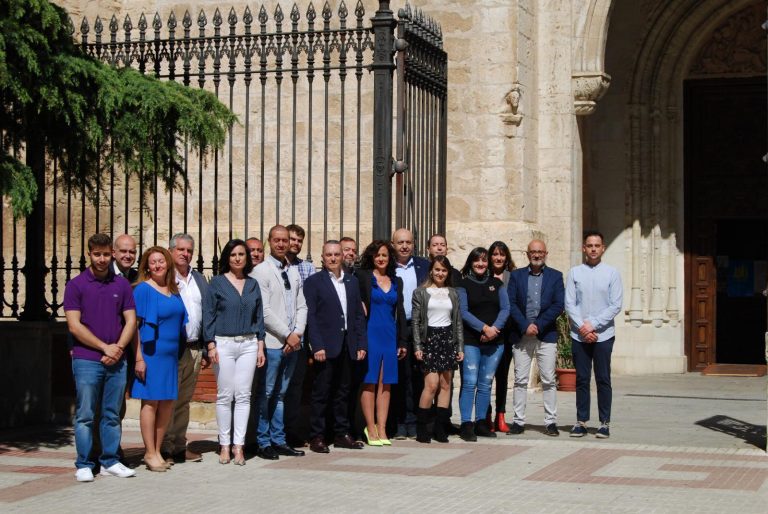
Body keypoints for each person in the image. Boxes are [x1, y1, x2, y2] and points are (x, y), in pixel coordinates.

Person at [64, 233, 137, 482]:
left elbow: (130, 321)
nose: (102, 259)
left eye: (106, 254)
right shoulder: (75, 285)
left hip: (117, 359)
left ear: (112, 254)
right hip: (86, 359)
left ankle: (110, 461)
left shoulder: (122, 285)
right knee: (86, 414)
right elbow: (74, 326)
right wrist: (105, 347)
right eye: (97, 254)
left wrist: (117, 347)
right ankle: (84, 463)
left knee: (112, 413)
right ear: (89, 254)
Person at [204, 239, 266, 465]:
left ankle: (238, 447)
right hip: (223, 343)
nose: (238, 258)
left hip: (249, 343)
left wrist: (260, 345)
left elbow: (259, 317)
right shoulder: (217, 283)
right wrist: (210, 344)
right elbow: (208, 314)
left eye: (241, 254)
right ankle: (224, 445)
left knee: (243, 395)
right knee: (224, 395)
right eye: (233, 255)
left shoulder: (252, 284)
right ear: (227, 258)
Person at [304, 240, 367, 453]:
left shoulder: (351, 281)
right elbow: (310, 316)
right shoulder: (314, 282)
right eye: (329, 255)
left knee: (343, 392)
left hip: (348, 346)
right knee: (321, 393)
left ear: (343, 256)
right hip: (326, 347)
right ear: (322, 257)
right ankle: (318, 436)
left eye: (336, 254)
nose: (332, 258)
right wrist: (317, 345)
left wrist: (360, 343)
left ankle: (341, 433)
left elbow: (358, 315)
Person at [252, 226, 307, 460]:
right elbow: (263, 311)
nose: (282, 244)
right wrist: (287, 334)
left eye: (285, 240)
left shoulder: (292, 270)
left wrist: (298, 333)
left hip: (292, 343)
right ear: (270, 242)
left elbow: (302, 305)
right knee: (266, 393)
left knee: (281, 394)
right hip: (275, 342)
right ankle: (263, 441)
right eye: (277, 240)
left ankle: (279, 439)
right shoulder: (260, 271)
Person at [131, 247, 188, 472]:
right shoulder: (143, 290)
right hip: (150, 355)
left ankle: (157, 449)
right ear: (146, 265)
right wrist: (138, 358)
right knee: (150, 402)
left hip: (170, 357)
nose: (157, 265)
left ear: (168, 264)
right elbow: (133, 326)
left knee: (167, 403)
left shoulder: (173, 290)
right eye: (152, 262)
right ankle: (149, 452)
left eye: (161, 261)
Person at [565, 230, 623, 439]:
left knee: (603, 378)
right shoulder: (575, 273)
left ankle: (604, 422)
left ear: (603, 248)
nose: (593, 249)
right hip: (579, 335)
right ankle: (581, 421)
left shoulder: (612, 273)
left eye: (597, 246)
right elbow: (570, 303)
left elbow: (615, 304)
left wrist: (593, 325)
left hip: (603, 335)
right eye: (589, 245)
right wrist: (583, 327)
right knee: (581, 378)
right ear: (584, 248)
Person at [506, 239, 564, 436]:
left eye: (540, 252)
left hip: (545, 334)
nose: (537, 255)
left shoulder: (556, 277)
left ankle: (550, 422)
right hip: (522, 335)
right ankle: (518, 421)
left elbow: (558, 305)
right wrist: (525, 325)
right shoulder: (516, 276)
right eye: (533, 252)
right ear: (527, 253)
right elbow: (511, 303)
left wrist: (538, 326)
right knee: (520, 380)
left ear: (546, 253)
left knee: (548, 379)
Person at [162, 233, 208, 464]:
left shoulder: (198, 279)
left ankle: (179, 446)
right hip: (173, 349)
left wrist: (207, 346)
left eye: (189, 250)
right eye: (180, 249)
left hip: (195, 348)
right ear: (170, 251)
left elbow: (207, 313)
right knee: (169, 399)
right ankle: (164, 447)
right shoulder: (163, 278)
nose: (185, 254)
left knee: (184, 400)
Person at [456, 247, 510, 441]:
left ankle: (481, 422)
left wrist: (493, 329)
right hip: (472, 341)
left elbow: (505, 309)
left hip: (495, 342)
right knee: (470, 382)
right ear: (471, 262)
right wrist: (484, 328)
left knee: (486, 383)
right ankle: (466, 424)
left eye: (484, 260)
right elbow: (463, 312)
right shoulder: (462, 285)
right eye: (477, 260)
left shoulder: (497, 284)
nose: (481, 264)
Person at [357, 241, 408, 445]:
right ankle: (370, 428)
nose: (381, 258)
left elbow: (401, 312)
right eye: (377, 255)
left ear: (390, 258)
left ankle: (382, 428)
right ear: (371, 257)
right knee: (369, 382)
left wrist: (402, 339)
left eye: (385, 255)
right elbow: (354, 300)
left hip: (389, 335)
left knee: (385, 384)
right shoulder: (363, 277)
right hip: (370, 334)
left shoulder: (397, 281)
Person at [411, 256, 464, 443]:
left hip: (447, 339)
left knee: (445, 384)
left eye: (443, 270)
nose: (440, 273)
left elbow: (457, 322)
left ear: (447, 273)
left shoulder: (453, 293)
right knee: (431, 385)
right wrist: (418, 346)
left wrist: (460, 346)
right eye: (437, 269)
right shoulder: (421, 293)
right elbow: (416, 322)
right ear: (431, 271)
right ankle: (422, 428)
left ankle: (440, 429)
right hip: (430, 339)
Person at [391, 227, 429, 439]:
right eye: (400, 243)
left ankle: (416, 420)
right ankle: (400, 422)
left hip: (420, 327)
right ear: (393, 244)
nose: (404, 246)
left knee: (419, 376)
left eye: (408, 242)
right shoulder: (387, 266)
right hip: (398, 327)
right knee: (400, 376)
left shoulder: (424, 265)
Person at [283, 223, 316, 447]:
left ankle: (291, 432)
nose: (295, 243)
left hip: (301, 338)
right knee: (275, 389)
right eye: (291, 239)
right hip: (278, 338)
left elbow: (311, 304)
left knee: (295, 389)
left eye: (298, 240)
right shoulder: (273, 266)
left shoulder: (308, 268)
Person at [487, 240, 516, 432]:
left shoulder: (513, 277)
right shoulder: (483, 275)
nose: (498, 258)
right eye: (495, 254)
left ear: (507, 258)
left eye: (502, 254)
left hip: (506, 334)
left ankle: (501, 415)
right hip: (488, 333)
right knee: (486, 377)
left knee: (502, 377)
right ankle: (486, 415)